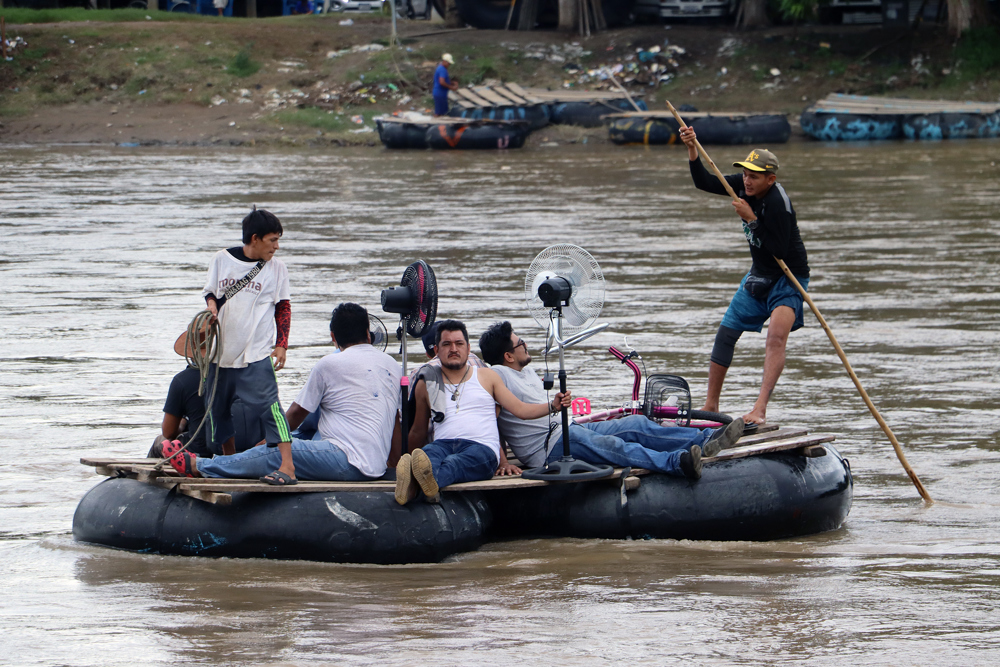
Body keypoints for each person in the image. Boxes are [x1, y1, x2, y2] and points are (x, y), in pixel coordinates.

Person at [164, 303, 402, 483]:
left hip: (347, 461)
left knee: (279, 451)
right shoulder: (392, 365)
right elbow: (395, 421)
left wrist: (273, 440)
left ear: (333, 337)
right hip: (375, 463)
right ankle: (227, 462)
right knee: (292, 441)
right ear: (368, 334)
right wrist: (392, 465)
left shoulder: (329, 364)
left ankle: (200, 466)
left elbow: (297, 413)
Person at [478, 321, 744, 481]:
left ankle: (706, 439)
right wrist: (503, 461)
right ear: (508, 356)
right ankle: (677, 463)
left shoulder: (526, 371)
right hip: (547, 447)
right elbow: (491, 420)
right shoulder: (496, 375)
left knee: (636, 424)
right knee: (614, 445)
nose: (525, 345)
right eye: (520, 343)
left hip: (567, 429)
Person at [680, 128, 810, 427]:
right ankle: (711, 405)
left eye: (754, 177)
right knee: (726, 334)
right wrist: (692, 149)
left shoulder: (779, 205)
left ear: (770, 179)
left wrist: (751, 219)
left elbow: (778, 250)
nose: (747, 181)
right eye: (745, 175)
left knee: (775, 338)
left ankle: (759, 409)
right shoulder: (744, 186)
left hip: (788, 278)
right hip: (758, 275)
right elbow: (704, 182)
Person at [396, 320, 571, 505]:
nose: (453, 349)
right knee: (428, 455)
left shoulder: (487, 377)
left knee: (455, 463)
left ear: (468, 348)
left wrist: (552, 406)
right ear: (437, 350)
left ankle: (416, 487)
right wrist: (403, 459)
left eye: (459, 343)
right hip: (442, 444)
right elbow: (418, 430)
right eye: (447, 344)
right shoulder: (427, 382)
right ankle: (421, 485)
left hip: (481, 448)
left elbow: (520, 410)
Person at [200, 207, 295, 485]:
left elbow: (283, 306)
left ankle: (288, 466)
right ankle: (229, 460)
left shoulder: (277, 268)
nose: (276, 247)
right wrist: (211, 308)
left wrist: (281, 344)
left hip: (256, 353)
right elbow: (211, 293)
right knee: (217, 410)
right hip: (220, 353)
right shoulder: (221, 259)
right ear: (255, 239)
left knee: (271, 408)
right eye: (272, 240)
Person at [432, 53, 458, 117]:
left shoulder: (441, 68)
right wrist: (451, 87)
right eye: (448, 63)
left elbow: (444, 80)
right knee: (439, 112)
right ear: (444, 61)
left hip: (441, 93)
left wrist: (451, 82)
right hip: (440, 93)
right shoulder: (442, 69)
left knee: (443, 111)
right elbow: (442, 82)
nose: (449, 65)